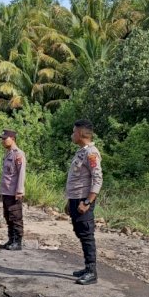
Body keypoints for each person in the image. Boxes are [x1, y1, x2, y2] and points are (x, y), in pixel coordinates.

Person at [65, 119, 103, 284]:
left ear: (80, 133)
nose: (72, 135)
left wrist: (87, 201)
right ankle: (87, 268)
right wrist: (70, 201)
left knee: (87, 234)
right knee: (80, 232)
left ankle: (92, 271)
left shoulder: (91, 153)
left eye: (74, 132)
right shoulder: (81, 152)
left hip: (83, 200)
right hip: (75, 199)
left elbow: (98, 179)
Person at [0, 128, 26, 250]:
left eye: (5, 139)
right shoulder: (8, 153)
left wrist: (19, 191)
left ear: (12, 139)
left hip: (14, 191)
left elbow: (21, 174)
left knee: (15, 217)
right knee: (8, 216)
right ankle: (11, 240)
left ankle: (17, 242)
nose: (3, 141)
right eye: (2, 139)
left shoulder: (18, 154)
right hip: (6, 191)